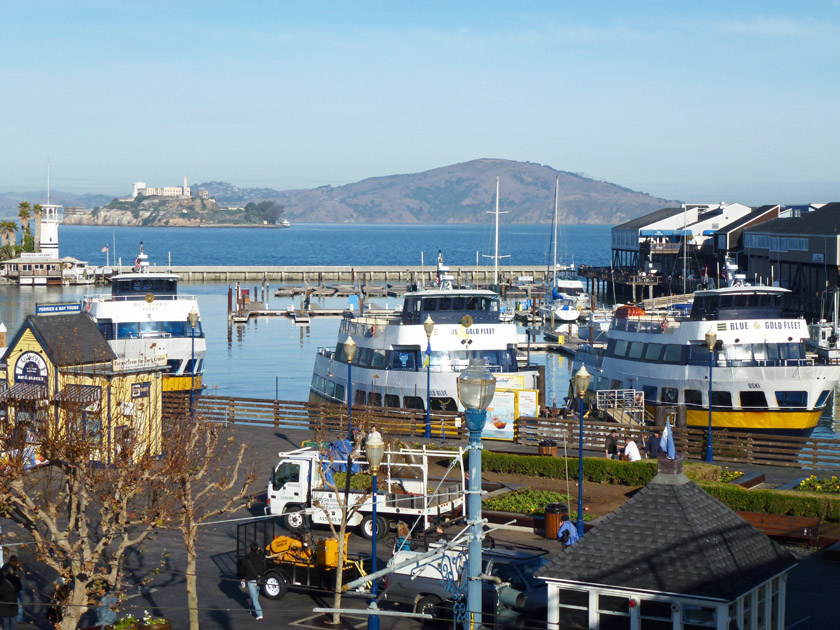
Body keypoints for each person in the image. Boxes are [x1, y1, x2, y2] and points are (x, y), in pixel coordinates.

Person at [240, 541, 266, 620]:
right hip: (259, 580)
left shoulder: (246, 558)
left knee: (254, 598)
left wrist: (243, 578)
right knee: (255, 596)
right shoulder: (260, 556)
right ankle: (251, 609)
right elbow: (264, 555)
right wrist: (260, 550)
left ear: (250, 548)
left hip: (251, 580)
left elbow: (243, 570)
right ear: (257, 549)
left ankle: (259, 614)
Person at [0, 557, 23, 626]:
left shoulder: (6, 567)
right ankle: (19, 619)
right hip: (11, 589)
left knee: (8, 609)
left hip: (7, 589)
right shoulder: (7, 568)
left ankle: (18, 619)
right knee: (17, 604)